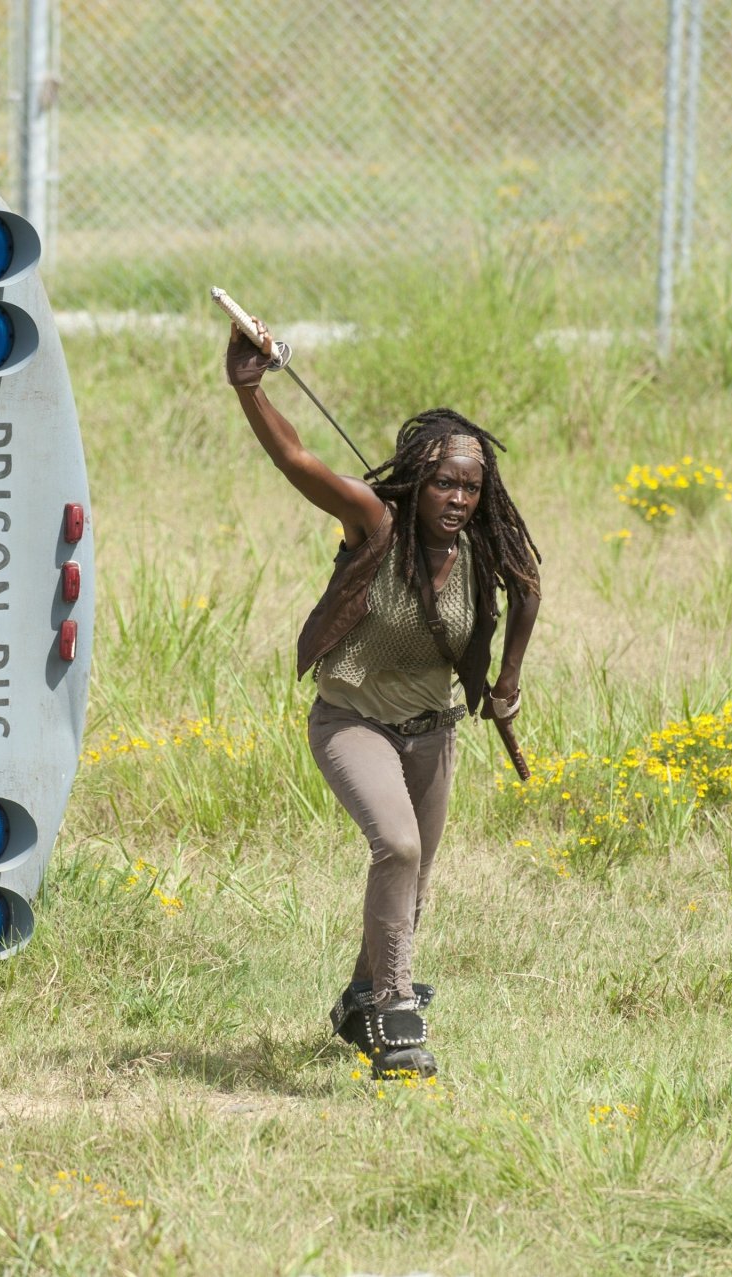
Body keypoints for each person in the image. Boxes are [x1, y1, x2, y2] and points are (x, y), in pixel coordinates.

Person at [225, 326, 541, 1078]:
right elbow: (298, 461)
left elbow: (529, 589)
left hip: (434, 732)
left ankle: (359, 998)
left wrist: (507, 681)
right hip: (353, 721)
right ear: (417, 480)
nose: (457, 499)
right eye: (443, 484)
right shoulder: (376, 524)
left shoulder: (483, 548)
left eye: (470, 487)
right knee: (396, 847)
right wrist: (249, 387)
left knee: (414, 880)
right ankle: (396, 1012)